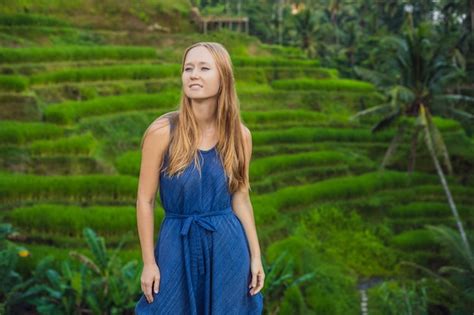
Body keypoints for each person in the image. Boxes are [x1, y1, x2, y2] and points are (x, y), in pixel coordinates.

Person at [134, 42, 265, 314]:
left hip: (228, 246)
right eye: (188, 68)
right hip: (176, 244)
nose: (193, 74)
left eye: (204, 68)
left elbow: (240, 197)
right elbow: (144, 201)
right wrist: (149, 262)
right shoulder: (162, 133)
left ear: (223, 78)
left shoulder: (240, 136)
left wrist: (255, 256)